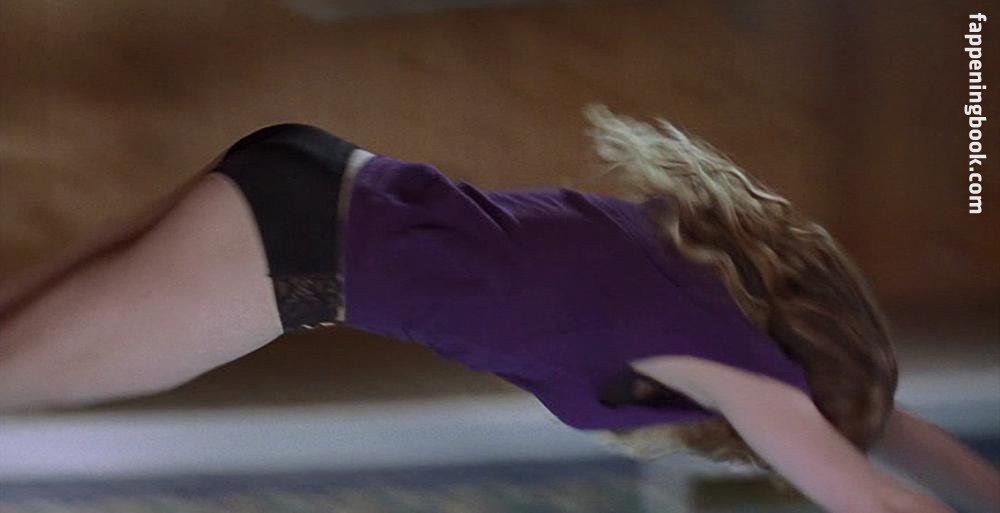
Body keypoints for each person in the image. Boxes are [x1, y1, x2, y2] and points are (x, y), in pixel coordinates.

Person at [0, 106, 995, 513]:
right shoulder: (742, 372)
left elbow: (891, 431)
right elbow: (872, 501)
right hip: (290, 252)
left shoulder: (694, 274)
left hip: (306, 172)